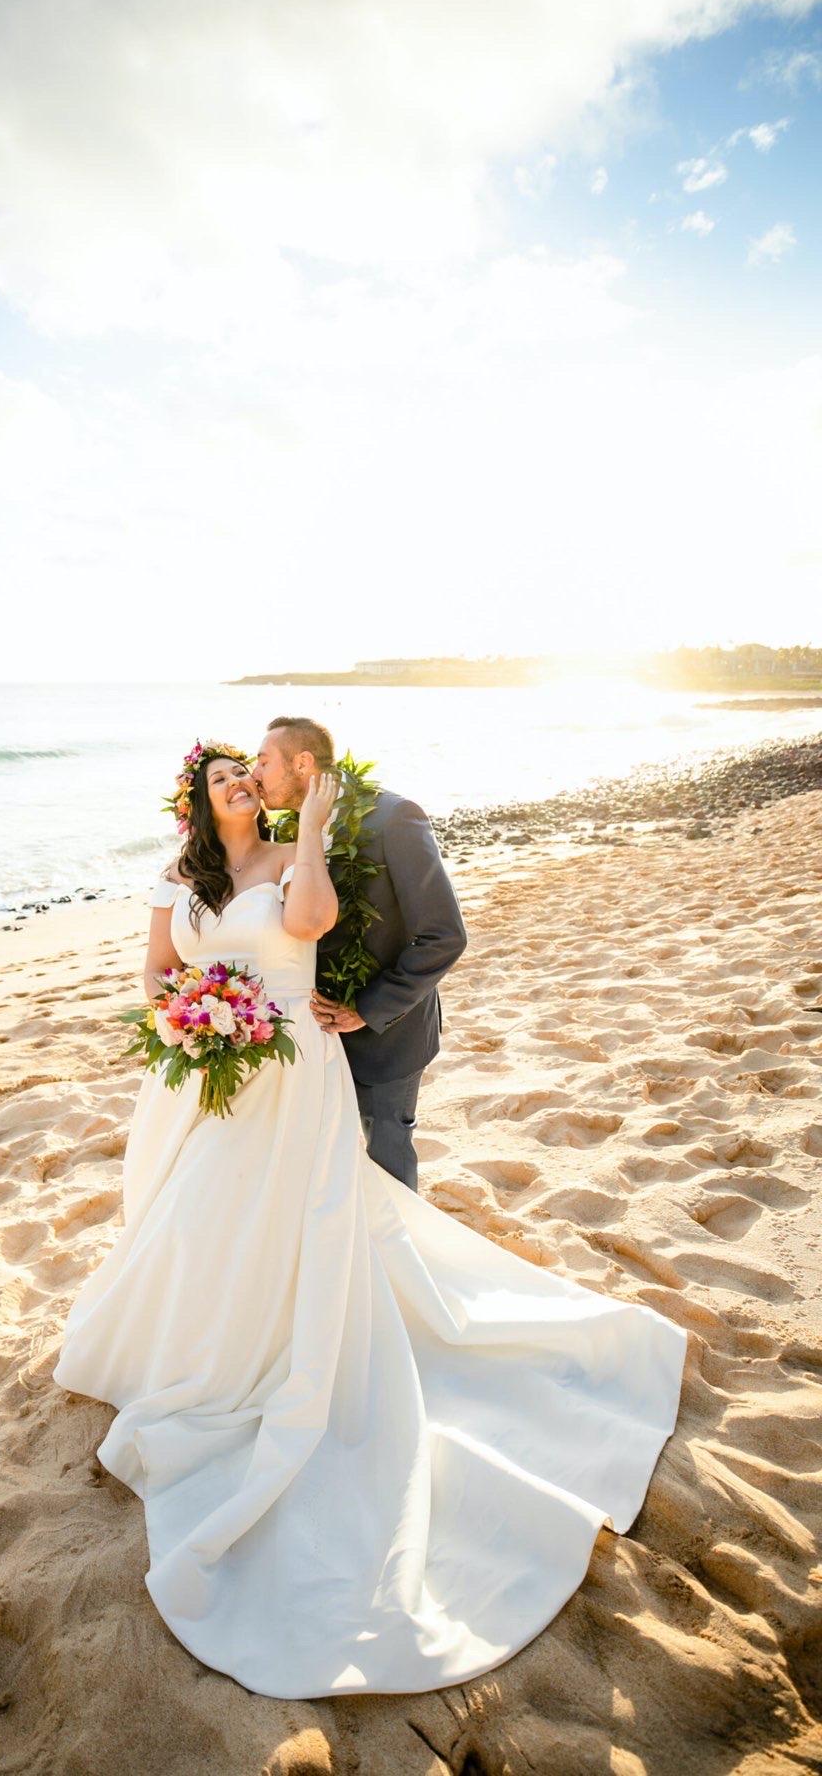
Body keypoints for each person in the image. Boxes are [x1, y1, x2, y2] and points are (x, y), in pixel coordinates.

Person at [53, 740, 687, 1701]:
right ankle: (195, 1344)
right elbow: (152, 970)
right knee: (192, 1215)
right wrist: (188, 1013)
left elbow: (308, 925)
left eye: (245, 773)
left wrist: (306, 828)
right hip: (204, 1071)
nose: (237, 782)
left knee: (283, 1214)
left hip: (291, 1064)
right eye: (221, 776)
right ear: (196, 797)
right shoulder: (177, 878)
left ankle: (269, 1348)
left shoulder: (289, 860)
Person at [250, 716, 467, 1192]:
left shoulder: (392, 818)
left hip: (386, 1038)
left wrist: (365, 1010)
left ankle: (399, 1263)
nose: (254, 772)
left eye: (264, 760)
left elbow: (444, 935)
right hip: (312, 1036)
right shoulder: (292, 836)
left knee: (387, 1163)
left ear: (302, 763)